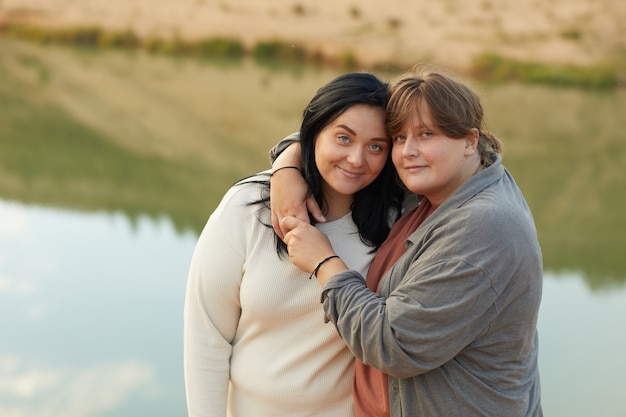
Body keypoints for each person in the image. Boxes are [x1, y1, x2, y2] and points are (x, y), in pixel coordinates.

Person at [271, 64, 543, 416]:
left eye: (427, 134)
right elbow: (343, 139)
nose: (407, 152)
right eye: (399, 138)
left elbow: (393, 344)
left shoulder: (484, 225)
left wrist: (325, 263)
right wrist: (288, 165)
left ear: (470, 140)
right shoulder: (440, 185)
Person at [183, 72, 403, 417]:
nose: (357, 159)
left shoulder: (397, 223)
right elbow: (206, 337)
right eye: (343, 138)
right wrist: (286, 165)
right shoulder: (247, 207)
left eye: (376, 146)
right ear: (313, 136)